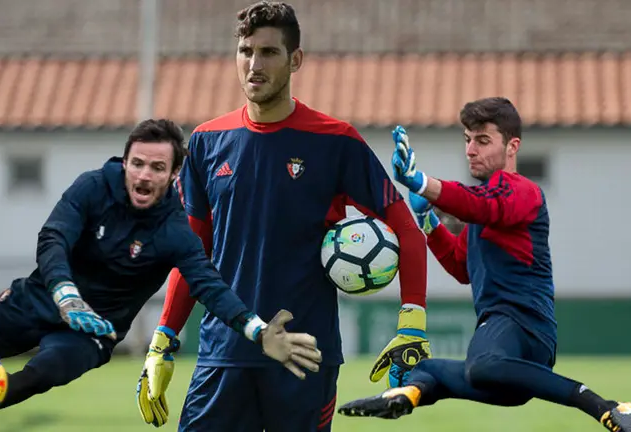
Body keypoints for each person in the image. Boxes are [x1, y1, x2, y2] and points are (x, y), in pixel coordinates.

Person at [0, 119, 322, 432]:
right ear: (125, 161)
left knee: (43, 373)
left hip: (92, 332)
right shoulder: (93, 186)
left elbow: (209, 285)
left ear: (173, 175)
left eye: (157, 168)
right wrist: (65, 294)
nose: (144, 175)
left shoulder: (175, 232)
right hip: (41, 297)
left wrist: (257, 330)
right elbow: (53, 237)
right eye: (137, 163)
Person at [140, 2, 430, 431]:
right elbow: (193, 251)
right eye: (246, 51)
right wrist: (163, 338)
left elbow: (407, 229)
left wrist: (412, 324)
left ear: (295, 60)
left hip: (305, 356)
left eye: (269, 52)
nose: (254, 65)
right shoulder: (206, 141)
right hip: (224, 353)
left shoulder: (336, 141)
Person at [337, 97, 631, 432]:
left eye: (482, 141)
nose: (471, 150)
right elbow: (461, 267)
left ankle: (605, 406)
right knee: (427, 370)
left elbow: (480, 205)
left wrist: (421, 181)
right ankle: (405, 395)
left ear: (513, 146)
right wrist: (428, 221)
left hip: (526, 327)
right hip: (500, 347)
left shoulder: (523, 191)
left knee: (481, 366)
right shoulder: (482, 209)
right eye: (468, 139)